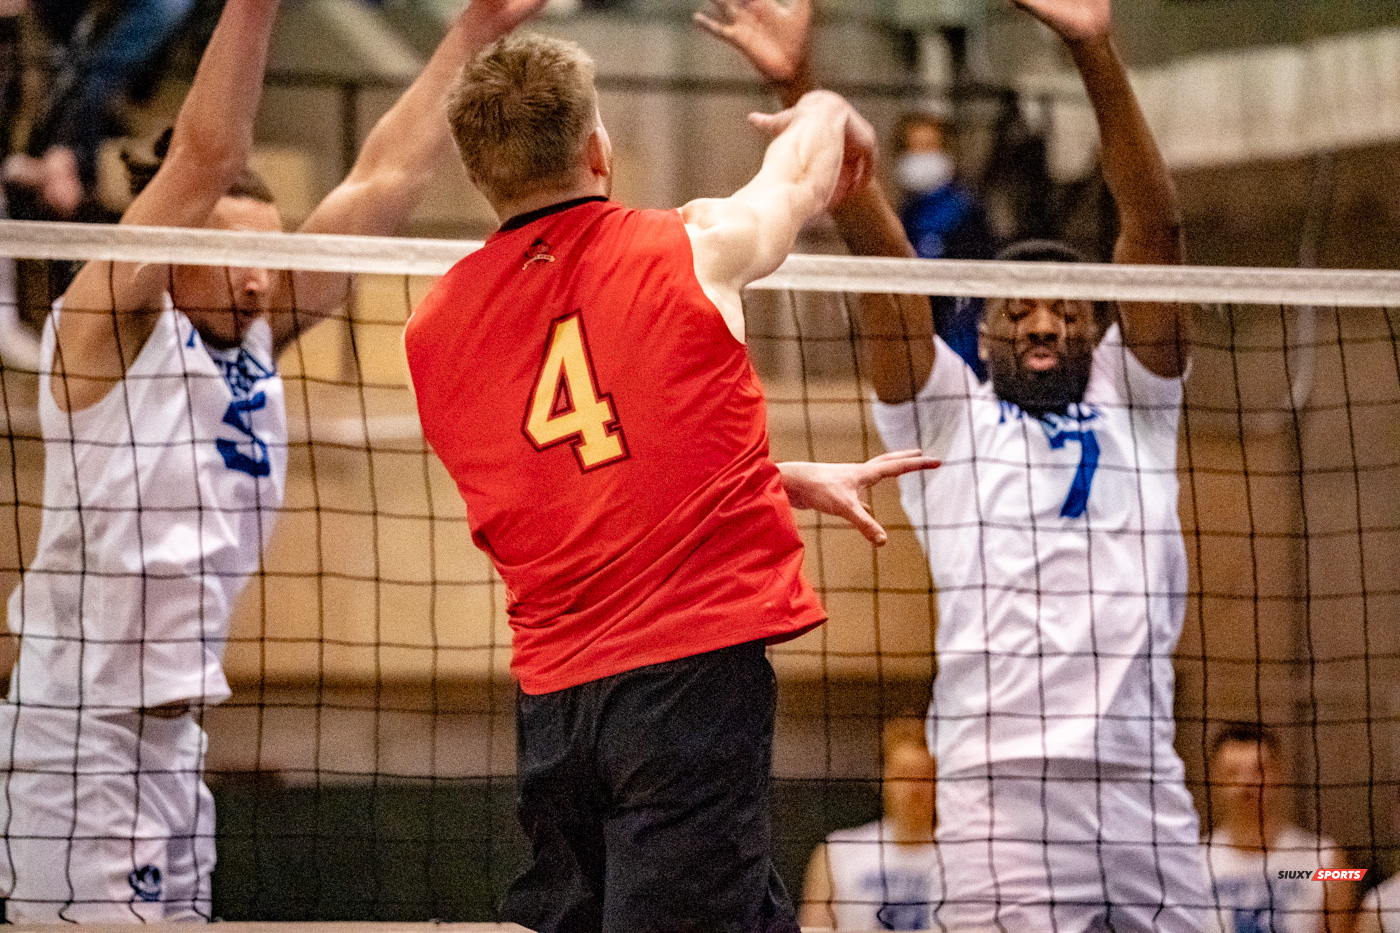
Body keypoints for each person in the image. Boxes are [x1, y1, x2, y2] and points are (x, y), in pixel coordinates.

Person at [0, 0, 549, 920]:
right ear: (174, 253)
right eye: (235, 253)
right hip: (75, 743)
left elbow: (381, 178)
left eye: (270, 248)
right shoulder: (102, 330)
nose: (260, 276)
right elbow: (204, 158)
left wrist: (475, 33)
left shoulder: (255, 336)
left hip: (177, 750)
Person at [404, 32, 935, 933]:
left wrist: (761, 477)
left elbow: (567, 472)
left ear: (478, 174)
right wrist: (824, 108)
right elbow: (800, 180)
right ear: (597, 149)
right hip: (686, 685)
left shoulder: (431, 329)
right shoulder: (689, 245)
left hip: (554, 706)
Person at [699, 0, 1209, 929]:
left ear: (1099, 329)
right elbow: (890, 281)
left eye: (1068, 308)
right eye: (1020, 309)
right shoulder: (954, 417)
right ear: (982, 330)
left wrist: (1090, 46)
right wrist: (804, 96)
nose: (1046, 321)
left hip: (1143, 781)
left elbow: (1159, 234)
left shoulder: (1139, 406)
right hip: (995, 792)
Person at [1204, 723, 1357, 933]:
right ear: (1214, 779)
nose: (1246, 783)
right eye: (1232, 772)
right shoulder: (1191, 860)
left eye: (1259, 770)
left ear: (1280, 773)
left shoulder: (1328, 860)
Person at [799, 717, 944, 930]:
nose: (914, 790)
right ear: (883, 779)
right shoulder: (836, 853)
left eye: (924, 777)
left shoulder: (962, 859)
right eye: (903, 776)